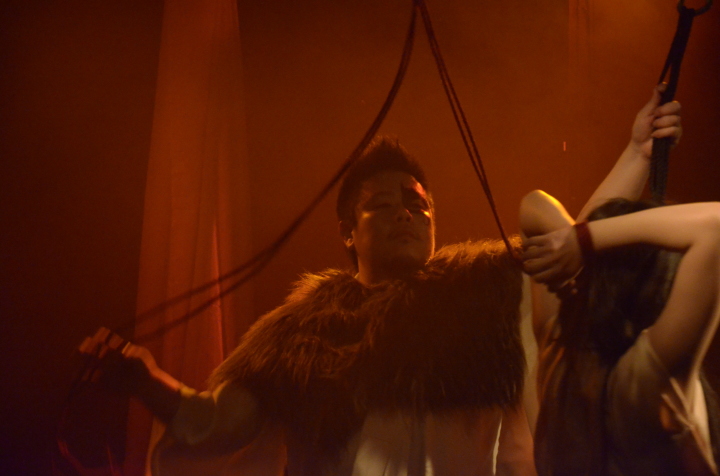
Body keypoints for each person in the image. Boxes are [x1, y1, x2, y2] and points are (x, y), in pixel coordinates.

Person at [79, 83, 680, 476]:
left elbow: (573, 244)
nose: (406, 214)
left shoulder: (489, 291)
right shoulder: (299, 337)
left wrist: (637, 154)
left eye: (418, 205)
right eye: (383, 205)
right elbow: (216, 425)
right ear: (349, 232)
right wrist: (147, 381)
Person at [518, 112, 720, 473]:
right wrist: (584, 241)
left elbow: (534, 206)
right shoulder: (643, 384)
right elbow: (716, 228)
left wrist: (638, 153)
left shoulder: (557, 362)